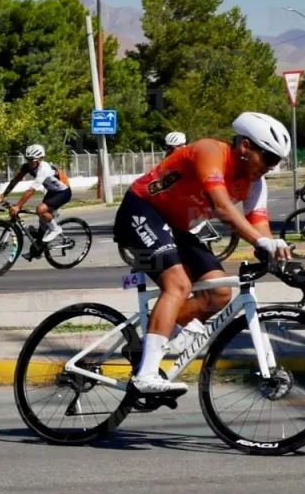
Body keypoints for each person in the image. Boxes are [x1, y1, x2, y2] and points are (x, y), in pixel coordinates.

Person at [112, 112, 292, 395]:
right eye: (268, 158)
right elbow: (222, 207)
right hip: (142, 210)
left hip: (176, 227)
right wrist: (261, 243)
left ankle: (148, 344)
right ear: (246, 147)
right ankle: (146, 374)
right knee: (179, 284)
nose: (270, 167)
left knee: (218, 293)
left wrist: (285, 260)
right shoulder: (210, 151)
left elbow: (260, 226)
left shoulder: (255, 183)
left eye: (276, 162)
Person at [0, 145, 72, 243]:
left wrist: (18, 206)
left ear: (41, 159)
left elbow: (31, 190)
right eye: (28, 160)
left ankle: (56, 229)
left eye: (32, 161)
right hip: (52, 192)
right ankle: (39, 248)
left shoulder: (44, 169)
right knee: (42, 220)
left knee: (40, 209)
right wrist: (2, 196)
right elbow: (15, 180)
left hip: (63, 192)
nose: (30, 163)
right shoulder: (27, 166)